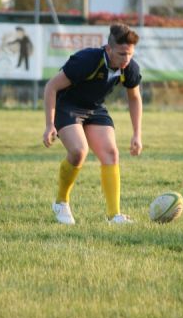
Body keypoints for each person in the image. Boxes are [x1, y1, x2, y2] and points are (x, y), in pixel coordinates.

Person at [43, 23, 143, 224]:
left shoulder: (130, 68)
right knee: (79, 151)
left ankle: (114, 215)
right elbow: (51, 87)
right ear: (109, 49)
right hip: (68, 105)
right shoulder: (86, 60)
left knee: (111, 153)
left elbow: (134, 98)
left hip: (94, 108)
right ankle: (61, 202)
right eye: (122, 54)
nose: (127, 59)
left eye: (130, 54)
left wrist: (136, 134)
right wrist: (49, 124)